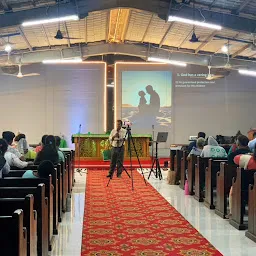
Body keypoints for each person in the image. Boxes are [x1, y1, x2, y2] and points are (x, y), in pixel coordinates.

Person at [227, 144, 256, 218]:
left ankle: (232, 212)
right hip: (251, 187)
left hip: (246, 187)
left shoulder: (248, 159)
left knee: (233, 190)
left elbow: (235, 159)